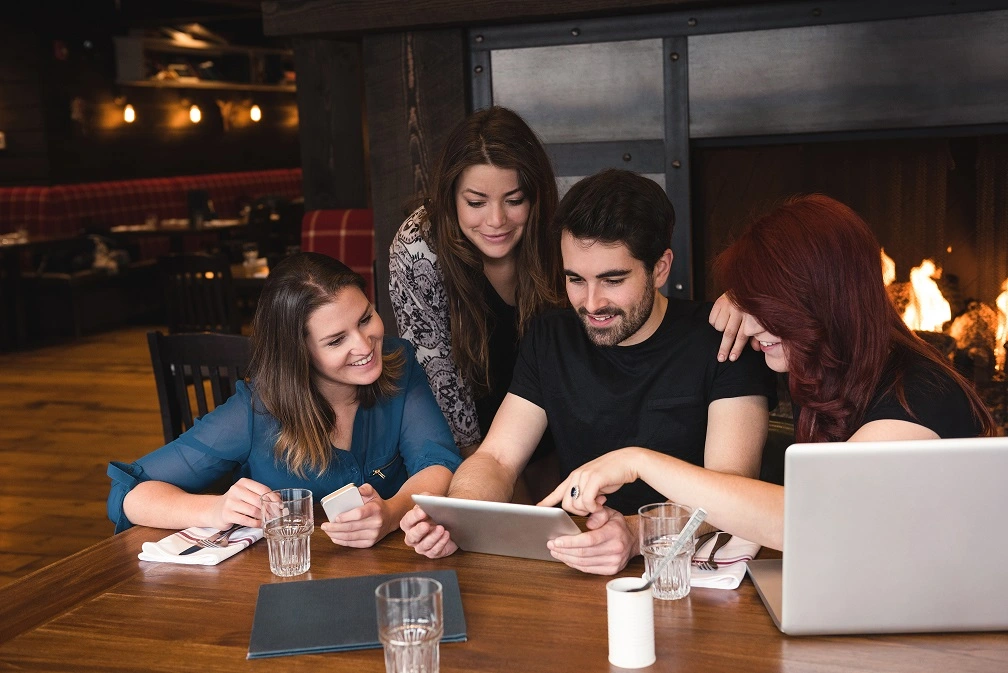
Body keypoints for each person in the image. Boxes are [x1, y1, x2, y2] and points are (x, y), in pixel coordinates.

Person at [541, 194, 996, 551]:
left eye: (764, 306)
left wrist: (636, 460)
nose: (750, 326)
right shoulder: (837, 369)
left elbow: (805, 521)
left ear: (819, 301)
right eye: (745, 303)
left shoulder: (918, 396)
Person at [400, 169, 777, 574]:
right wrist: (459, 515)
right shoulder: (550, 337)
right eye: (575, 279)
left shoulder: (722, 339)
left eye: (613, 280)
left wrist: (636, 533)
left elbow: (732, 490)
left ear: (661, 268)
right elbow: (496, 458)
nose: (592, 303)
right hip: (576, 562)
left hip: (684, 570)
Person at [107, 253, 462, 548]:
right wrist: (216, 509)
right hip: (287, 582)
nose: (366, 345)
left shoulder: (398, 363)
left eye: (366, 318)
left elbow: (437, 461)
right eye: (337, 340)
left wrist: (391, 513)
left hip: (397, 574)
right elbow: (131, 492)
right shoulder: (255, 412)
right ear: (298, 354)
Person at [389, 106, 562, 462]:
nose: (496, 221)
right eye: (476, 202)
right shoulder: (419, 245)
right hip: (470, 443)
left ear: (536, 197)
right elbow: (438, 374)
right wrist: (485, 477)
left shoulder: (556, 233)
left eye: (514, 201)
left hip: (560, 428)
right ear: (450, 196)